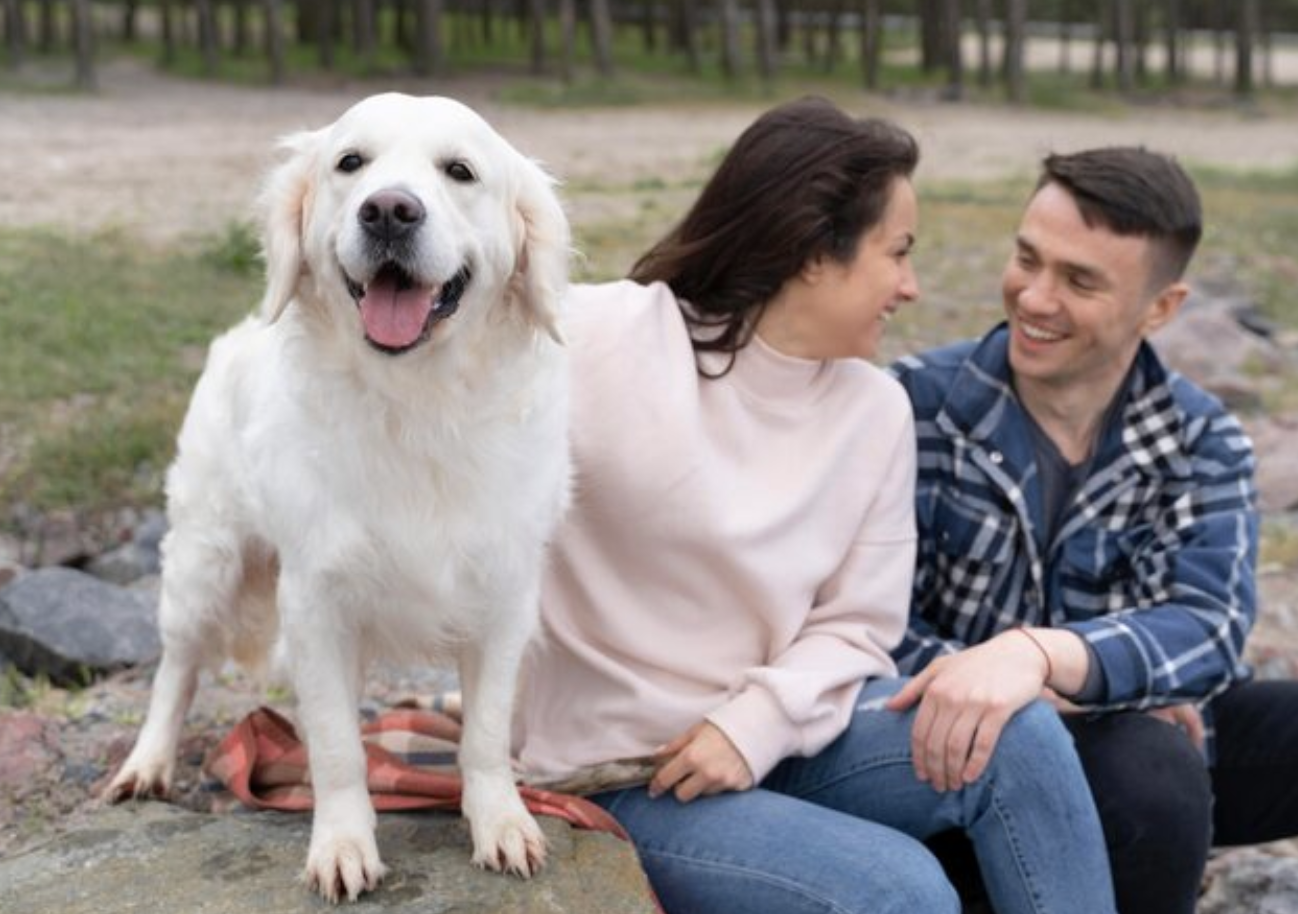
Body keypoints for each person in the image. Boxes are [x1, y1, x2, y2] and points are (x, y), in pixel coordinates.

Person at [513, 96, 1117, 914]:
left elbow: (858, 625)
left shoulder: (875, 409)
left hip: (782, 739)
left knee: (1017, 731)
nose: (911, 287)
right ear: (812, 253)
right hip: (622, 775)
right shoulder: (593, 338)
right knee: (898, 891)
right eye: (897, 253)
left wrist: (752, 726)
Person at [889, 146, 1298, 914]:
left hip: (1123, 733)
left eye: (1079, 282)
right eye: (1027, 259)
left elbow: (1208, 626)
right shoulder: (910, 406)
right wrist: (1028, 694)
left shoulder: (1201, 437)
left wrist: (1039, 655)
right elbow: (864, 627)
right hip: (950, 754)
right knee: (1152, 768)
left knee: (1201, 745)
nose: (1035, 297)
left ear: (1161, 308)